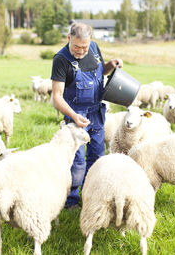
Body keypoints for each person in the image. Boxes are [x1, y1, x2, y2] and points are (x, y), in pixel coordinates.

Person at [51, 22, 123, 209]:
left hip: (96, 113)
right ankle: (71, 199)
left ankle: (92, 195)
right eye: (77, 46)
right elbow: (56, 97)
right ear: (69, 38)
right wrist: (74, 116)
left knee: (97, 156)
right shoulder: (61, 59)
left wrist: (110, 65)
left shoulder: (94, 47)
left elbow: (100, 72)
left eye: (85, 47)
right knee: (77, 160)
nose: (81, 51)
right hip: (75, 114)